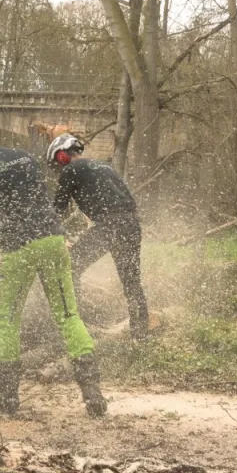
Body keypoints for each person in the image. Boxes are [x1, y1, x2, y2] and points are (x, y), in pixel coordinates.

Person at [0, 119, 107, 418]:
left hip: (19, 250)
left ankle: (7, 397)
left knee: (8, 321)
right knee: (68, 314)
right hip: (54, 241)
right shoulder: (24, 156)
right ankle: (92, 393)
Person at [47, 133, 150, 340]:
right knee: (131, 279)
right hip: (131, 223)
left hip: (109, 225)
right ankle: (141, 332)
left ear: (62, 156)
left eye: (57, 163)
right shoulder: (104, 166)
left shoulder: (70, 170)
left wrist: (52, 234)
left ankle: (76, 322)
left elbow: (57, 210)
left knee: (70, 266)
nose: (59, 168)